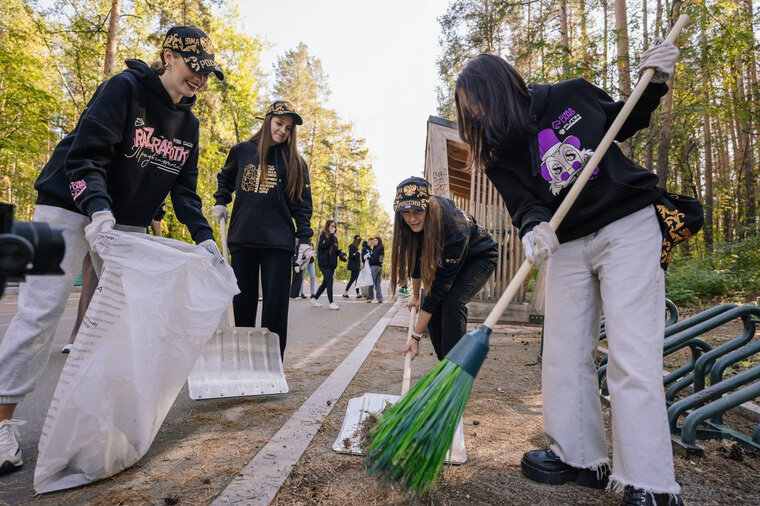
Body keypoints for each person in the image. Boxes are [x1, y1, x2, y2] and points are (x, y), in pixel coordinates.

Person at [454, 45, 691, 506]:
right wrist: (532, 227)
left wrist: (656, 80)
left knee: (631, 351)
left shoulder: (570, 96)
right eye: (468, 112)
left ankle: (649, 481)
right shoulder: (499, 151)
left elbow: (627, 118)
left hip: (627, 225)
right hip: (566, 243)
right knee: (562, 351)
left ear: (499, 89)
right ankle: (579, 456)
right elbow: (525, 203)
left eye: (477, 104)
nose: (476, 116)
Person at [0, 25, 225, 474]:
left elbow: (184, 192)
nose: (199, 78)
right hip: (61, 203)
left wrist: (204, 239)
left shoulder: (190, 125)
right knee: (40, 311)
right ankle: (2, 422)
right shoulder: (124, 88)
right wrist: (97, 211)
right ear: (169, 56)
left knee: (130, 318)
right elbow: (85, 157)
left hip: (125, 219)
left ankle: (95, 422)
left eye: (206, 72)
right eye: (192, 67)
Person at [212, 100, 312, 360]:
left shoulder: (295, 162)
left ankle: (271, 361)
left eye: (289, 129)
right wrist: (221, 200)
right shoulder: (242, 151)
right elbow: (225, 177)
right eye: (280, 124)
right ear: (268, 121)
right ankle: (243, 358)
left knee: (275, 306)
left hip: (277, 242)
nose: (283, 131)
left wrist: (304, 238)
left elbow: (301, 203)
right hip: (243, 237)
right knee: (242, 302)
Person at [392, 177, 497, 361]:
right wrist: (416, 295)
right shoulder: (414, 225)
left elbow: (439, 289)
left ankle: (455, 366)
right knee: (429, 302)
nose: (412, 218)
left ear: (428, 205)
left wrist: (415, 336)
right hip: (451, 257)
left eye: (417, 211)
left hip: (478, 257)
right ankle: (445, 364)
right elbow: (417, 260)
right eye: (406, 212)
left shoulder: (455, 227)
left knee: (452, 302)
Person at [62, 204, 165, 354]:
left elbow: (157, 215)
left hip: (134, 230)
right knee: (92, 282)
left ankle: (128, 339)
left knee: (128, 288)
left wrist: (158, 239)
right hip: (102, 222)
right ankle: (79, 338)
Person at [311, 220, 344, 310]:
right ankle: (331, 302)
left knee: (325, 283)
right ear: (327, 227)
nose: (333, 228)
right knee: (330, 281)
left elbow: (335, 250)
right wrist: (332, 235)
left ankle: (314, 299)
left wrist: (341, 253)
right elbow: (324, 246)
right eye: (332, 226)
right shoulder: (323, 237)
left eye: (334, 226)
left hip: (332, 264)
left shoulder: (334, 238)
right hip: (324, 264)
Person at [366, 236, 385, 303]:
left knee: (371, 282)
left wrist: (369, 257)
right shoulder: (381, 249)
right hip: (379, 267)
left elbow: (374, 259)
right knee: (377, 284)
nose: (374, 242)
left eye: (376, 240)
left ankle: (370, 297)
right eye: (374, 240)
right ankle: (380, 299)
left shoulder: (377, 249)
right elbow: (381, 259)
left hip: (374, 267)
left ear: (379, 241)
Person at [343, 234, 362, 298]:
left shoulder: (356, 246)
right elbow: (352, 256)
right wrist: (358, 253)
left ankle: (345, 292)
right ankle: (357, 293)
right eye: (358, 240)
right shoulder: (352, 246)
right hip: (354, 266)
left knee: (353, 280)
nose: (359, 242)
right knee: (357, 279)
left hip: (356, 265)